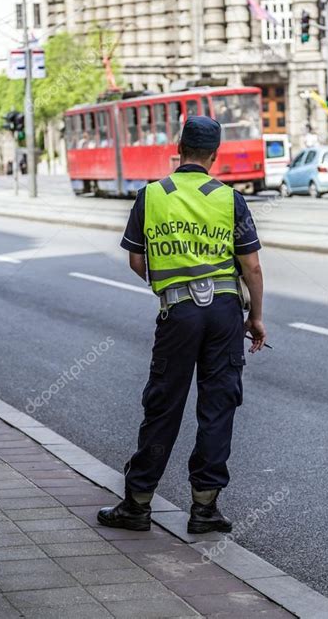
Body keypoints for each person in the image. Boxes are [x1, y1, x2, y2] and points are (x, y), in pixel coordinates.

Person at [98, 115, 266, 534]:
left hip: (179, 314)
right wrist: (256, 318)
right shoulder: (230, 199)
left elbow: (137, 260)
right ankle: (205, 509)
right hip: (226, 312)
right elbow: (253, 267)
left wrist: (169, 287)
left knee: (164, 406)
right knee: (217, 407)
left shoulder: (151, 196)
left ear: (179, 147)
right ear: (214, 155)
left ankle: (137, 505)